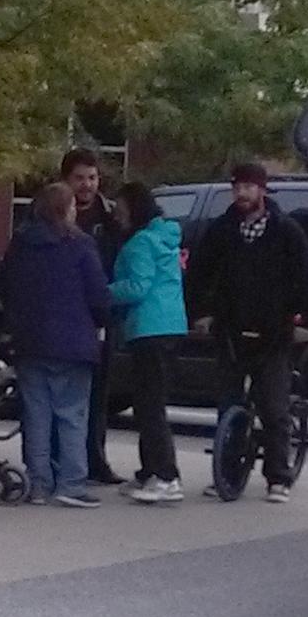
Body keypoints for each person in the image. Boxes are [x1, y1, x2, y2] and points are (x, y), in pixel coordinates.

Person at [185, 162, 308, 505]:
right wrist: (201, 313)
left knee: (274, 407)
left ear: (263, 190)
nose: (242, 194)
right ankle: (228, 472)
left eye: (249, 187)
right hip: (230, 328)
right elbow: (199, 273)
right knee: (228, 404)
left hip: (274, 331)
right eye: (237, 187)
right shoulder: (222, 230)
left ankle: (278, 476)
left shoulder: (286, 231)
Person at [3, 182, 111, 508]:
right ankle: (71, 483)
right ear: (65, 210)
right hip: (73, 342)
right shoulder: (80, 245)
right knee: (72, 414)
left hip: (31, 341)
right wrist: (102, 321)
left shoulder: (21, 244)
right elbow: (98, 296)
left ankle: (38, 484)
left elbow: (6, 288)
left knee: (37, 413)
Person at [108, 181, 188, 504]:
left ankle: (166, 476)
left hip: (149, 328)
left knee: (150, 406)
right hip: (170, 325)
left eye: (121, 209)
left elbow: (137, 287)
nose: (117, 215)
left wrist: (104, 291)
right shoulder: (164, 238)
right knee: (148, 402)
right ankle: (150, 471)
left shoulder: (140, 243)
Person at [60, 147, 126, 487]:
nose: (86, 185)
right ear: (66, 180)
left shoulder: (111, 219)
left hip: (100, 316)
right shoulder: (49, 215)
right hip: (62, 317)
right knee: (63, 396)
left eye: (92, 178)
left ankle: (95, 461)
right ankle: (60, 462)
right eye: (79, 178)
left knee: (98, 395)